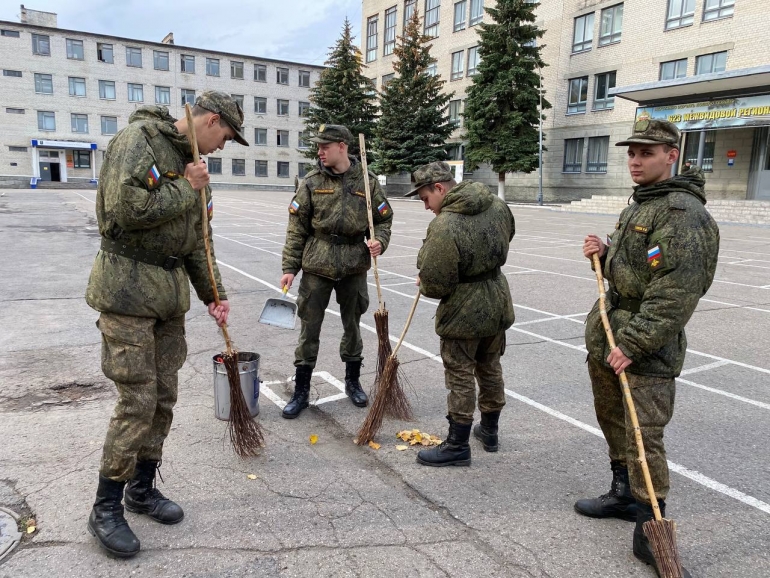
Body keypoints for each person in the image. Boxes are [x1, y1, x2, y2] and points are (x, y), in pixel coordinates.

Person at [85, 91, 249, 557]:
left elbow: (201, 243)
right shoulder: (138, 140)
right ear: (210, 120)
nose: (223, 147)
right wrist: (186, 188)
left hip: (169, 301)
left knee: (162, 400)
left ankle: (141, 489)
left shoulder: (197, 171)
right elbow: (123, 209)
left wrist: (214, 295)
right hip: (127, 294)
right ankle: (105, 507)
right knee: (136, 401)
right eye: (225, 136)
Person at [577, 119, 719, 577]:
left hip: (644, 344)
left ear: (671, 155)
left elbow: (675, 292)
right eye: (632, 152)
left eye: (647, 152)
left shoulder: (681, 214)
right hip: (612, 330)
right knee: (615, 419)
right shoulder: (644, 203)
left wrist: (633, 343)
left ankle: (649, 523)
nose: (635, 160)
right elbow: (636, 264)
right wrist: (605, 251)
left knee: (644, 434)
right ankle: (622, 492)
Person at [280, 124, 393, 419]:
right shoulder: (311, 181)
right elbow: (297, 228)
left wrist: (379, 240)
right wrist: (290, 267)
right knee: (309, 328)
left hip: (354, 263)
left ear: (342, 146)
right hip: (317, 263)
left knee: (353, 326)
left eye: (324, 146)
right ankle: (301, 389)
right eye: (318, 147)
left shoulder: (366, 180)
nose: (319, 152)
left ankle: (352, 381)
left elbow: (383, 219)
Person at [407, 162, 515, 467]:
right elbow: (509, 236)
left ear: (439, 188)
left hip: (463, 310)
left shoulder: (446, 224)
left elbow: (436, 284)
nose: (426, 207)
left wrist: (426, 279)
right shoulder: (497, 205)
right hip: (496, 299)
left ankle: (457, 445)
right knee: (491, 367)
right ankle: (490, 432)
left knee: (460, 375)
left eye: (425, 198)